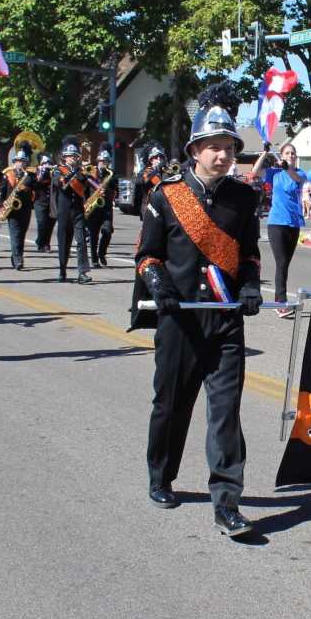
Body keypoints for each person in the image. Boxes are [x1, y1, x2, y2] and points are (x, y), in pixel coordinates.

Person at [130, 81, 261, 537]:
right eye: (214, 147)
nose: (223, 156)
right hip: (180, 319)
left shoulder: (244, 198)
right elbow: (147, 256)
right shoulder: (166, 196)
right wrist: (160, 285)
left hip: (224, 321)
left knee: (225, 412)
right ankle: (160, 475)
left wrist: (250, 285)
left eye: (229, 147)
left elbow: (249, 254)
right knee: (171, 404)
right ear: (194, 150)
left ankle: (227, 503)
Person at [249, 140, 311, 316]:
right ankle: (280, 303)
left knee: (285, 265)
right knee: (282, 262)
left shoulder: (299, 173)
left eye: (293, 153)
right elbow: (254, 172)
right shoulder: (274, 173)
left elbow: (298, 179)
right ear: (282, 156)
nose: (291, 155)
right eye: (287, 153)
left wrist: (287, 168)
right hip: (277, 222)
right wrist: (265, 152)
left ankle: (280, 300)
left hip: (294, 223)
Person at [52, 141, 92, 284]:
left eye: (75, 156)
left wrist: (85, 176)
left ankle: (83, 272)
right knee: (64, 242)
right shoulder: (58, 170)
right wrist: (71, 175)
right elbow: (58, 183)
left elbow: (86, 187)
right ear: (64, 157)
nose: (73, 158)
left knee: (81, 241)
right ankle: (62, 270)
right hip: (64, 211)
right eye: (70, 156)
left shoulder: (82, 171)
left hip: (78, 210)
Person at [0, 147, 36, 270]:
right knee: (15, 234)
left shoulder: (29, 176)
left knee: (22, 235)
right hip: (12, 209)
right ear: (14, 162)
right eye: (18, 161)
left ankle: (16, 256)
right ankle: (18, 259)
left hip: (25, 208)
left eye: (23, 161)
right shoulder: (8, 175)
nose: (21, 163)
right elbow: (2, 193)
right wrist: (2, 206)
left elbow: (35, 188)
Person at [86, 147, 117, 268]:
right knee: (93, 234)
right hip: (94, 206)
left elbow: (115, 189)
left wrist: (107, 190)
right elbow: (85, 187)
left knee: (107, 231)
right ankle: (94, 259)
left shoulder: (111, 173)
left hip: (106, 207)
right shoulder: (90, 171)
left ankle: (102, 253)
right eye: (102, 161)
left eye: (106, 161)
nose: (104, 163)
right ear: (98, 161)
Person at [32, 150, 57, 252]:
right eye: (44, 163)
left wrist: (54, 172)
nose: (47, 165)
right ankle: (40, 242)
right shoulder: (36, 171)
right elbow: (34, 185)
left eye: (49, 163)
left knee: (50, 223)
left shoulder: (54, 172)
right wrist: (40, 175)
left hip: (52, 201)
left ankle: (46, 243)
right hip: (40, 201)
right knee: (42, 222)